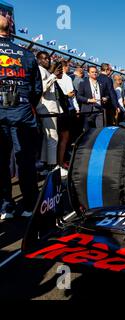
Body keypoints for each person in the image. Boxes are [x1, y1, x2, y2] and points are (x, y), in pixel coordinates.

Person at [0, 16, 42, 219]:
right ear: (10, 29)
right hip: (23, 112)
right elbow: (37, 89)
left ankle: (5, 206)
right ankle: (29, 205)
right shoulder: (26, 54)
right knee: (25, 161)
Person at [36, 52, 63, 173]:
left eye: (48, 58)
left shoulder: (45, 71)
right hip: (46, 108)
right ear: (39, 60)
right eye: (44, 59)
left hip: (50, 108)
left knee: (48, 138)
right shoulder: (40, 70)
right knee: (53, 138)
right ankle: (53, 166)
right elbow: (41, 88)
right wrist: (53, 76)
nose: (47, 61)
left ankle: (45, 164)